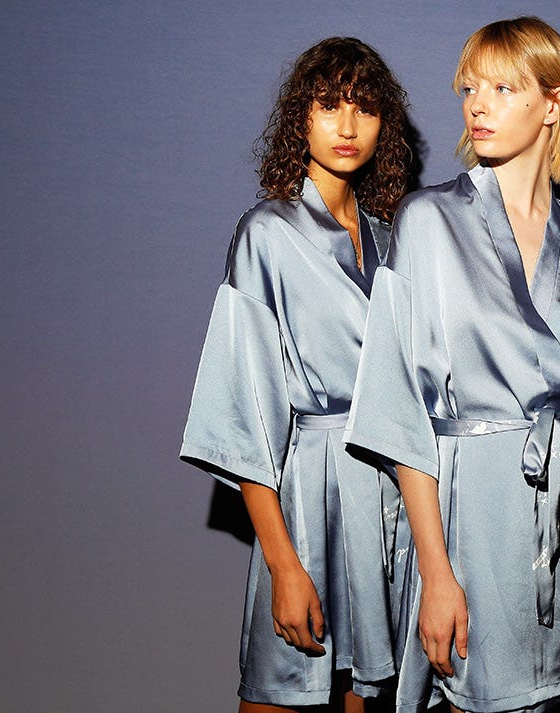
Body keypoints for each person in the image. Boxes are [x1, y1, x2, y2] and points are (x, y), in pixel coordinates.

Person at [343, 17, 560, 713]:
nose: (478, 104)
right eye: (472, 87)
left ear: (554, 104)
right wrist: (437, 574)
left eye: (504, 87)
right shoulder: (429, 222)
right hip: (469, 520)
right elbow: (400, 409)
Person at [179, 37, 413, 712]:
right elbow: (242, 416)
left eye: (365, 109)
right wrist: (284, 562)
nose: (347, 125)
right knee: (281, 690)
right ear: (299, 117)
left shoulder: (394, 241)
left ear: (384, 128)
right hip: (305, 499)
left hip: (389, 502)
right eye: (329, 104)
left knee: (370, 696)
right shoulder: (265, 234)